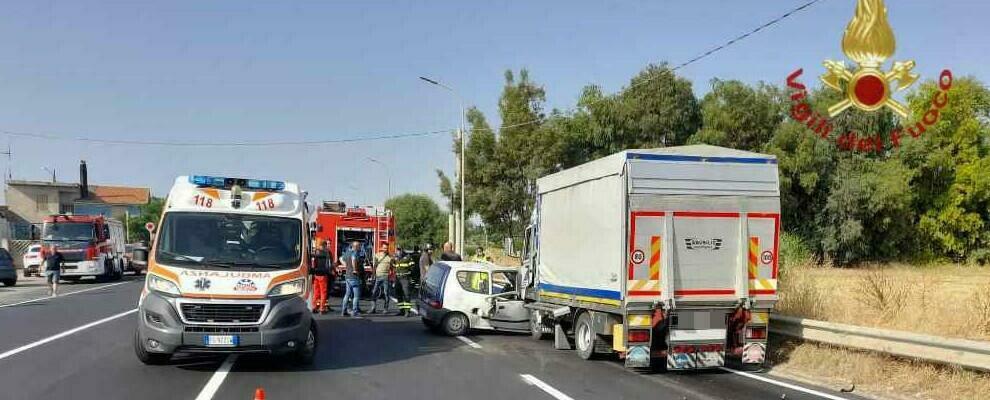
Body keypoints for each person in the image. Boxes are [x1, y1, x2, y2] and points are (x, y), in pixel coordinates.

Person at [339, 241, 363, 317]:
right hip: (354, 277)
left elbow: (340, 258)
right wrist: (354, 269)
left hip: (347, 276)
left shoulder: (347, 252)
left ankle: (343, 311)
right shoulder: (354, 253)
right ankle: (355, 311)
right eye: (359, 246)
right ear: (355, 246)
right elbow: (353, 259)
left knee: (347, 294)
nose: (360, 247)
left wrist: (346, 266)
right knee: (356, 296)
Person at [369, 243, 393, 314]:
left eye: (386, 248)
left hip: (386, 277)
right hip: (377, 276)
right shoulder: (377, 255)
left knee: (386, 293)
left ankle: (385, 309)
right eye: (384, 248)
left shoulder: (390, 257)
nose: (385, 249)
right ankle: (373, 308)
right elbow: (374, 266)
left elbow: (392, 268)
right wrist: (373, 276)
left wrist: (391, 274)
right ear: (381, 248)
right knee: (374, 292)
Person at [309, 240, 331, 314]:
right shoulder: (326, 254)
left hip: (316, 275)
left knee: (316, 292)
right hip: (323, 275)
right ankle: (322, 309)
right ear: (324, 246)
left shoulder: (315, 252)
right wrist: (329, 271)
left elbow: (312, 263)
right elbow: (328, 265)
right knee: (323, 293)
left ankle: (314, 307)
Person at [394, 248, 416, 317]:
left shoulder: (408, 258)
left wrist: (411, 278)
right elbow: (394, 266)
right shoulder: (396, 258)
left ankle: (407, 311)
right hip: (398, 278)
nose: (398, 252)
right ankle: (401, 311)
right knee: (398, 295)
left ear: (402, 251)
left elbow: (413, 268)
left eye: (399, 250)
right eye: (397, 250)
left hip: (405, 278)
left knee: (406, 295)